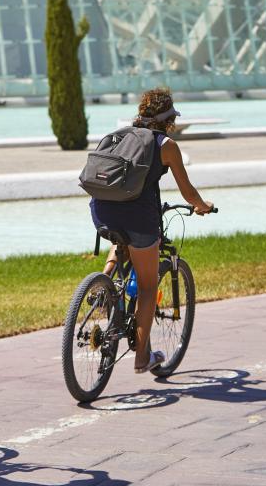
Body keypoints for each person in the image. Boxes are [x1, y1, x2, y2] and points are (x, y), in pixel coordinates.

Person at [89, 88, 213, 374]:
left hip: (102, 212)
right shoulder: (166, 145)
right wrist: (202, 205)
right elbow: (188, 191)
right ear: (169, 118)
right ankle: (142, 358)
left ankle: (103, 283)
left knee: (121, 236)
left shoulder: (119, 136)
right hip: (139, 219)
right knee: (147, 287)